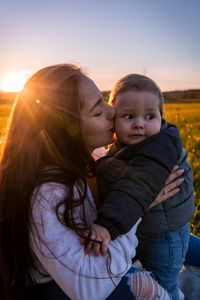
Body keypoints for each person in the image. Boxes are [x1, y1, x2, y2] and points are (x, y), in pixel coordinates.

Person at [0, 64, 183, 300]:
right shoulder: (48, 194)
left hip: (100, 255)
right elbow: (90, 289)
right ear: (66, 131)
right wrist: (138, 208)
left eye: (104, 101)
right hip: (59, 289)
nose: (111, 112)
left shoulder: (95, 159)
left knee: (183, 243)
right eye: (97, 112)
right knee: (148, 288)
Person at [89, 74, 195, 300]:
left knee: (165, 283)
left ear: (161, 117)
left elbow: (135, 186)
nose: (139, 123)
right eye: (128, 116)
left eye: (149, 116)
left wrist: (107, 225)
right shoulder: (124, 147)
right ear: (113, 119)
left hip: (164, 234)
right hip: (145, 228)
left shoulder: (159, 145)